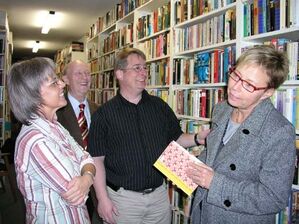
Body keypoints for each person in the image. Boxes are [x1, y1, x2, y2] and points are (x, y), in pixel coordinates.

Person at [88, 48, 210, 224]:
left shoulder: (159, 106)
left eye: (145, 68)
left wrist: (198, 137)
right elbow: (97, 159)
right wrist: (102, 199)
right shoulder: (104, 114)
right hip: (123, 201)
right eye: (137, 68)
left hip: (159, 197)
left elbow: (176, 138)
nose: (144, 73)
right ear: (120, 74)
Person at [187, 45, 296, 224]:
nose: (235, 88)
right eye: (236, 75)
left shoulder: (279, 131)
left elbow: (274, 198)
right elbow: (216, 157)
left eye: (249, 84)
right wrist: (189, 169)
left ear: (267, 92)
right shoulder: (221, 109)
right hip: (203, 213)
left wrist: (214, 184)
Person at [7, 57, 96, 224]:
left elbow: (85, 156)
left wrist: (87, 176)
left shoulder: (55, 126)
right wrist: (87, 174)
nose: (62, 84)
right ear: (33, 95)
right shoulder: (36, 141)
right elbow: (77, 195)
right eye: (54, 83)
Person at [56, 59, 100, 222]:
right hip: (70, 188)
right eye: (78, 73)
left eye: (87, 73)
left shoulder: (100, 110)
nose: (85, 77)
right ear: (65, 79)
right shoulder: (56, 112)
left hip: (99, 182)